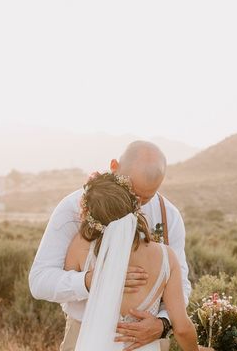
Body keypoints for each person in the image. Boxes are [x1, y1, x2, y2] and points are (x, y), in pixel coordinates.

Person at [29, 141, 191, 351]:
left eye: (146, 198)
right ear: (114, 166)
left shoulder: (169, 216)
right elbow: (40, 281)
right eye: (131, 191)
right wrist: (91, 281)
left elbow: (182, 284)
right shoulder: (71, 209)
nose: (136, 205)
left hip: (145, 340)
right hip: (85, 335)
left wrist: (163, 323)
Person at [64, 172, 208, 351]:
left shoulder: (80, 247)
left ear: (92, 215)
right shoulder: (165, 256)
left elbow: (66, 296)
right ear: (136, 207)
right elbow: (182, 328)